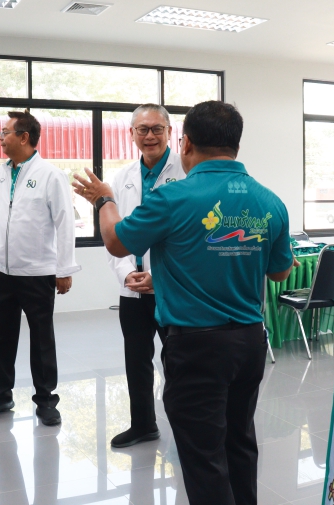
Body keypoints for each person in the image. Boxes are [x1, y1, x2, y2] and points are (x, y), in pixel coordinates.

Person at [72, 101, 297, 505]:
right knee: (239, 441)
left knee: (203, 456)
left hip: (197, 347)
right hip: (250, 343)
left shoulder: (173, 198)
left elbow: (116, 241)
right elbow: (280, 273)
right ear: (236, 145)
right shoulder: (271, 202)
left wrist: (105, 200)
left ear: (185, 142)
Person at [0, 110, 81, 426]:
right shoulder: (0, 173)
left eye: (4, 132)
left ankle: (46, 400)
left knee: (41, 339)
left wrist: (64, 269)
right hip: (1, 271)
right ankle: (0, 395)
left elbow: (65, 223)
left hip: (38, 273)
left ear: (23, 137)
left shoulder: (51, 175)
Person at [106, 104, 186, 448]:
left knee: (179, 362)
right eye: (142, 129)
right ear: (132, 134)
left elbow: (190, 237)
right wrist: (126, 272)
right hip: (133, 290)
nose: (149, 136)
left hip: (172, 290)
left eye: (156, 129)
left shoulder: (186, 172)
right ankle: (143, 425)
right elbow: (114, 232)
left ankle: (186, 428)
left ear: (170, 132)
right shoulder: (121, 178)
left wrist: (157, 275)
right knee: (136, 360)